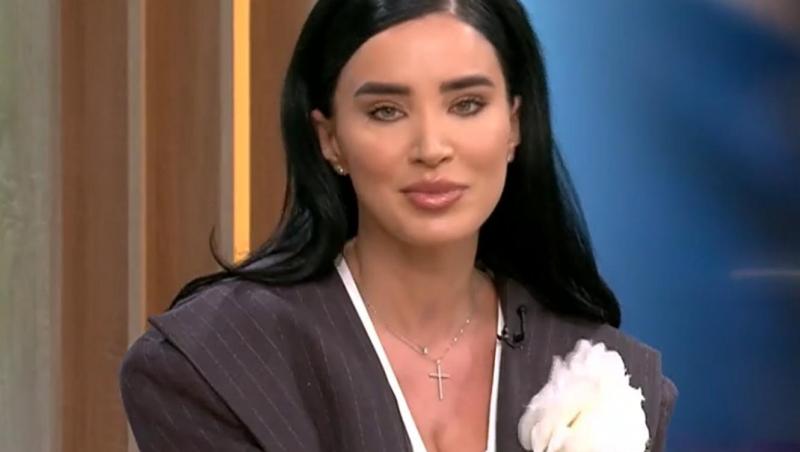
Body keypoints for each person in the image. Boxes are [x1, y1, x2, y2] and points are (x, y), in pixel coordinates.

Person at [119, 1, 677, 451]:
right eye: (386, 111)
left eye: (466, 104)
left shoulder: (607, 376)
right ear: (330, 139)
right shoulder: (215, 367)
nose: (431, 147)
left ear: (514, 125)